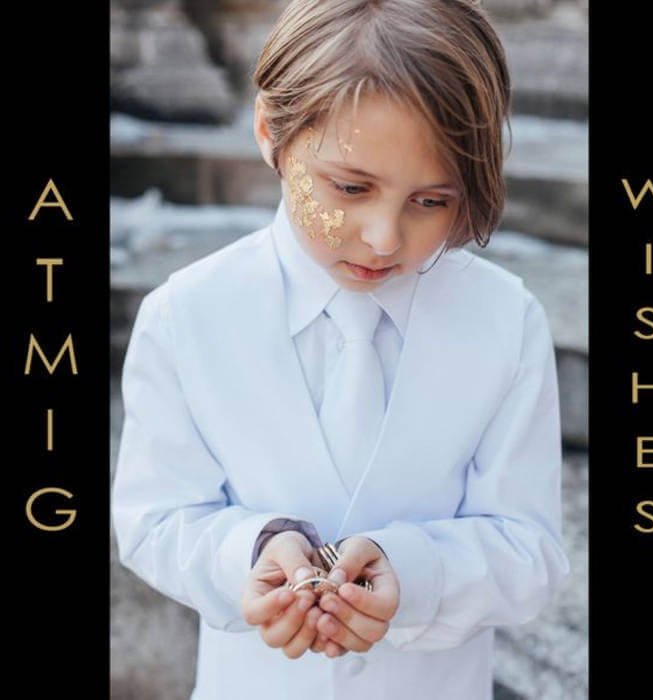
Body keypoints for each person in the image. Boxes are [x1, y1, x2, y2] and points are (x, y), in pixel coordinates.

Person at [111, 1, 570, 698]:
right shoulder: (186, 315)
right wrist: (252, 554)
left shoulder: (506, 321)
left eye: (432, 201)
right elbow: (154, 520)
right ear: (272, 133)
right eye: (350, 189)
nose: (384, 237)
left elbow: (529, 549)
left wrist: (414, 573)